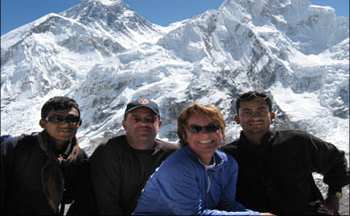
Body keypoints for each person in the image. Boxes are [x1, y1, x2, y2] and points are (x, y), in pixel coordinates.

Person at [220, 91, 350, 215]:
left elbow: (337, 161)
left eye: (261, 111)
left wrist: (334, 197)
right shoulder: (226, 156)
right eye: (247, 112)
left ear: (272, 116)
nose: (255, 116)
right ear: (237, 119)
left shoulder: (298, 141)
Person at [133, 103, 272, 215]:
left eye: (212, 127)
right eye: (195, 129)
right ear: (184, 135)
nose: (205, 134)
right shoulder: (177, 167)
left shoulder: (228, 164)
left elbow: (226, 205)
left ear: (222, 132)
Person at [0, 96, 95, 215]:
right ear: (43, 123)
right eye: (57, 118)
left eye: (72, 119)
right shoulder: (14, 148)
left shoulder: (79, 159)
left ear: (79, 123)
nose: (65, 123)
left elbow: (81, 200)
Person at [89, 98, 179, 215]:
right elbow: (107, 204)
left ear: (159, 125)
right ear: (124, 124)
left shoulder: (173, 154)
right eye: (136, 119)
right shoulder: (108, 151)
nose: (143, 124)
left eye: (149, 119)